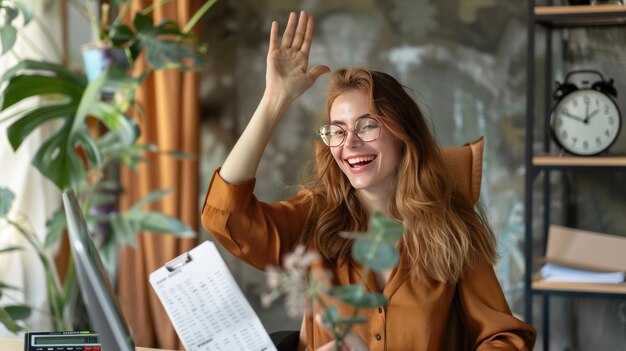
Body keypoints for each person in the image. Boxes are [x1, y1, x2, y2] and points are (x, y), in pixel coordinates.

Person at [201, 10, 536, 351]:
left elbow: (505, 339)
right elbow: (226, 218)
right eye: (337, 131)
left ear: (402, 134)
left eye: (367, 125)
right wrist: (274, 101)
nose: (349, 144)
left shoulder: (451, 228)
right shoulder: (316, 217)